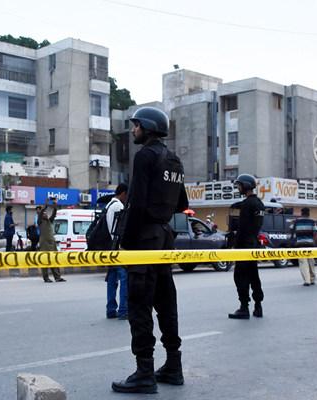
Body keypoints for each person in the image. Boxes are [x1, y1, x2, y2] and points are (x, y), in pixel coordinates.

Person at [112, 107, 188, 394]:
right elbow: (182, 203)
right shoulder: (174, 160)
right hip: (165, 238)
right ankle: (173, 367)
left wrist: (126, 242)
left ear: (148, 127)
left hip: (144, 238)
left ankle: (145, 372)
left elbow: (137, 203)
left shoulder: (145, 156)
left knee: (139, 305)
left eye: (136, 126)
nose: (133, 130)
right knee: (166, 302)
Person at [227, 174, 265, 319]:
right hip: (254, 244)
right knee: (254, 275)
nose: (238, 187)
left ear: (246, 185)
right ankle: (258, 306)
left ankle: (244, 308)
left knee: (241, 276)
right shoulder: (260, 204)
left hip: (244, 245)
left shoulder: (246, 204)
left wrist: (235, 248)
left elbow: (241, 228)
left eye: (240, 185)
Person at [106, 183, 128, 320]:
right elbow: (122, 229)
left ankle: (110, 310)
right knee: (124, 279)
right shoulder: (119, 206)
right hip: (119, 248)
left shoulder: (108, 206)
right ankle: (123, 310)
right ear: (123, 194)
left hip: (110, 247)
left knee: (112, 280)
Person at [289, 207, 317, 286]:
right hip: (310, 245)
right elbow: (315, 234)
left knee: (303, 263)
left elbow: (290, 231)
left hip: (300, 245)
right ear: (309, 213)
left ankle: (307, 280)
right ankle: (312, 279)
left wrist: (292, 223)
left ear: (301, 213)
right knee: (311, 262)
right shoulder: (312, 221)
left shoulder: (297, 221)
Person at [37, 198, 65, 283]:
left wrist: (55, 204)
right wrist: (46, 203)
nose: (45, 214)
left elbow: (54, 213)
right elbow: (41, 211)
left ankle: (57, 276)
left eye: (46, 214)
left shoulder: (49, 221)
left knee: (54, 260)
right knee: (45, 261)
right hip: (44, 244)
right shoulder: (40, 222)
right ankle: (46, 277)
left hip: (52, 243)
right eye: (44, 214)